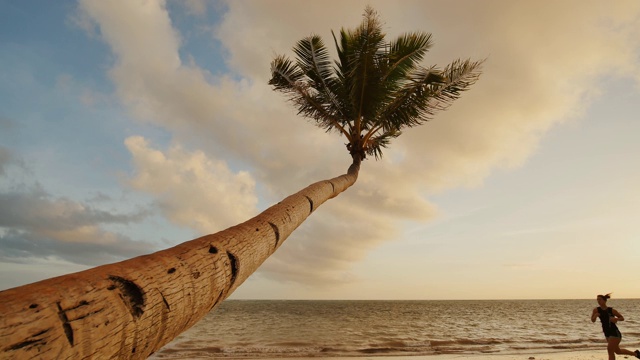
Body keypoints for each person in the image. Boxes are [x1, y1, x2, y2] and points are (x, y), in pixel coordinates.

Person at [591, 293, 640, 359]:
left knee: (610, 350)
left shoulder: (611, 310)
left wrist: (616, 319)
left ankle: (636, 354)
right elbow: (593, 320)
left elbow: (622, 318)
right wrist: (595, 316)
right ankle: (636, 354)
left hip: (614, 332)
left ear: (605, 300)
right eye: (597, 300)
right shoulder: (596, 310)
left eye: (600, 299)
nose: (598, 301)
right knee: (617, 351)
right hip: (606, 333)